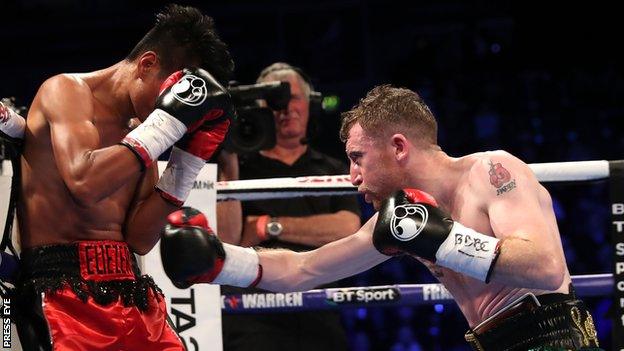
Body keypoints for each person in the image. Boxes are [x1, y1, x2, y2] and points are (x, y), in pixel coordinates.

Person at [161, 85, 602, 351]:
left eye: (357, 158)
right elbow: (304, 268)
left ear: (398, 146)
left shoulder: (491, 171)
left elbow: (545, 267)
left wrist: (444, 241)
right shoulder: (399, 218)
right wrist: (222, 262)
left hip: (555, 337)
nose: (351, 176)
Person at [9, 4, 234, 350]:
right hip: (62, 295)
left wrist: (187, 163)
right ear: (147, 64)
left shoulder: (141, 133)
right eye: (171, 93)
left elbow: (140, 238)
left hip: (132, 292)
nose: (168, 110)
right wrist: (166, 125)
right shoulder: (66, 91)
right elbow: (84, 182)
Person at [217, 62, 361, 351]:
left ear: (310, 104)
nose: (286, 108)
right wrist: (228, 163)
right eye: (275, 100)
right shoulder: (239, 169)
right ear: (258, 109)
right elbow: (228, 240)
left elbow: (348, 227)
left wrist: (265, 226)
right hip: (252, 317)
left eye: (294, 97)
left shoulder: (333, 169)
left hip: (320, 312)